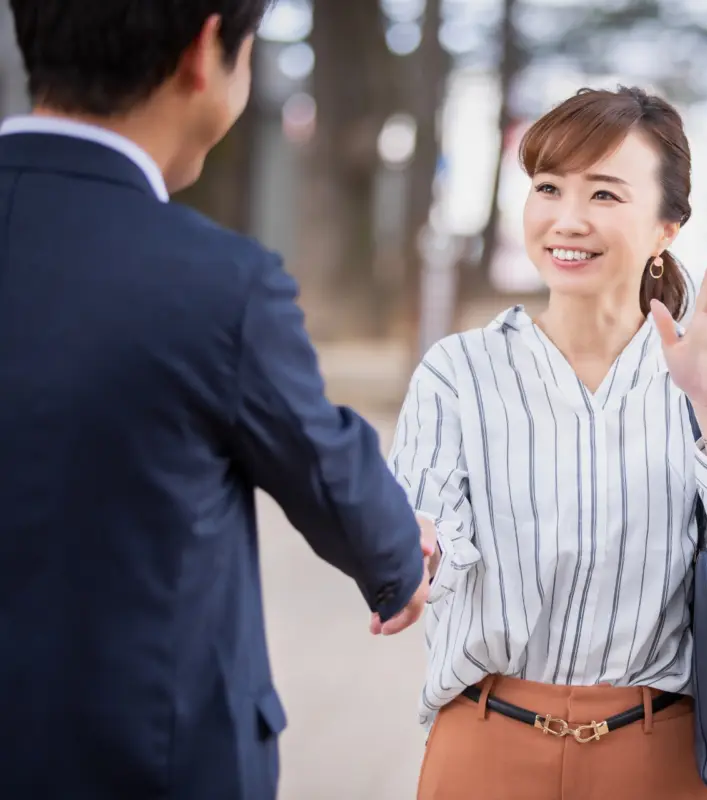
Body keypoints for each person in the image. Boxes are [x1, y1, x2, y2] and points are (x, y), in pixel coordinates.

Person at [0, 2, 433, 798]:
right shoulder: (217, 284)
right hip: (141, 762)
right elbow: (330, 475)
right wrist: (400, 554)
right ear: (206, 52)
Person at [388, 86, 707, 799]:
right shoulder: (459, 373)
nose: (568, 219)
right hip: (483, 747)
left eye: (605, 195)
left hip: (657, 755)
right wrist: (413, 543)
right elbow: (427, 531)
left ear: (666, 227)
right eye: (548, 187)